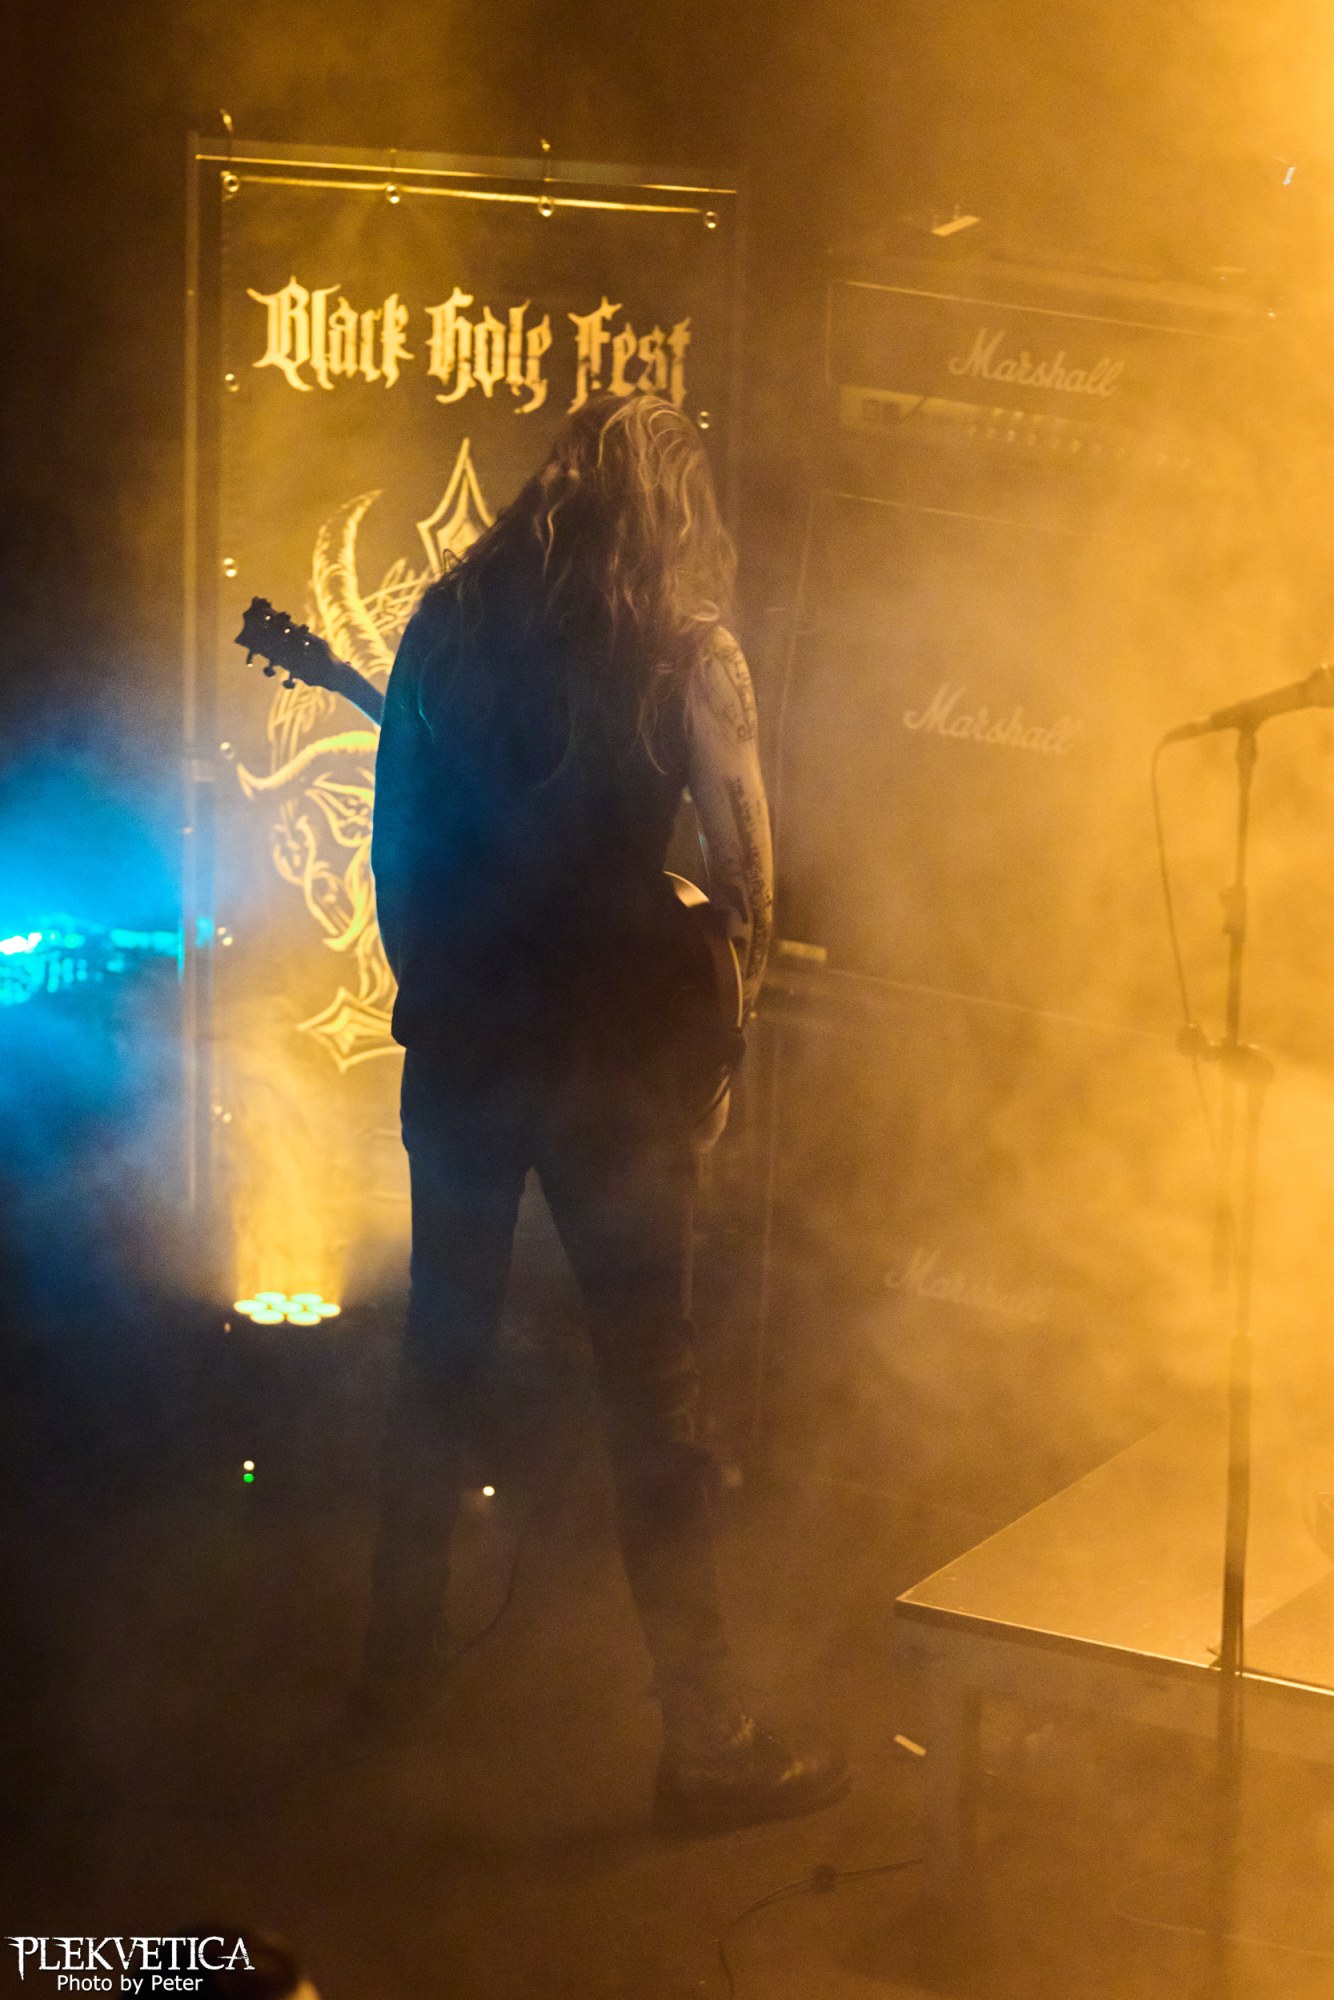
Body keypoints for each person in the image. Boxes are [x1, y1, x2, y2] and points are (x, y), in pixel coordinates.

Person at [360, 392, 847, 1834]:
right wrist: (720, 1048)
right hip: (619, 1066)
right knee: (654, 1392)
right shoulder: (692, 652)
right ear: (674, 508)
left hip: (466, 1042)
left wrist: (446, 997)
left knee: (438, 1359)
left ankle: (391, 1679)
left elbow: (394, 848)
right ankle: (704, 1739)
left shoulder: (448, 622)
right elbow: (746, 874)